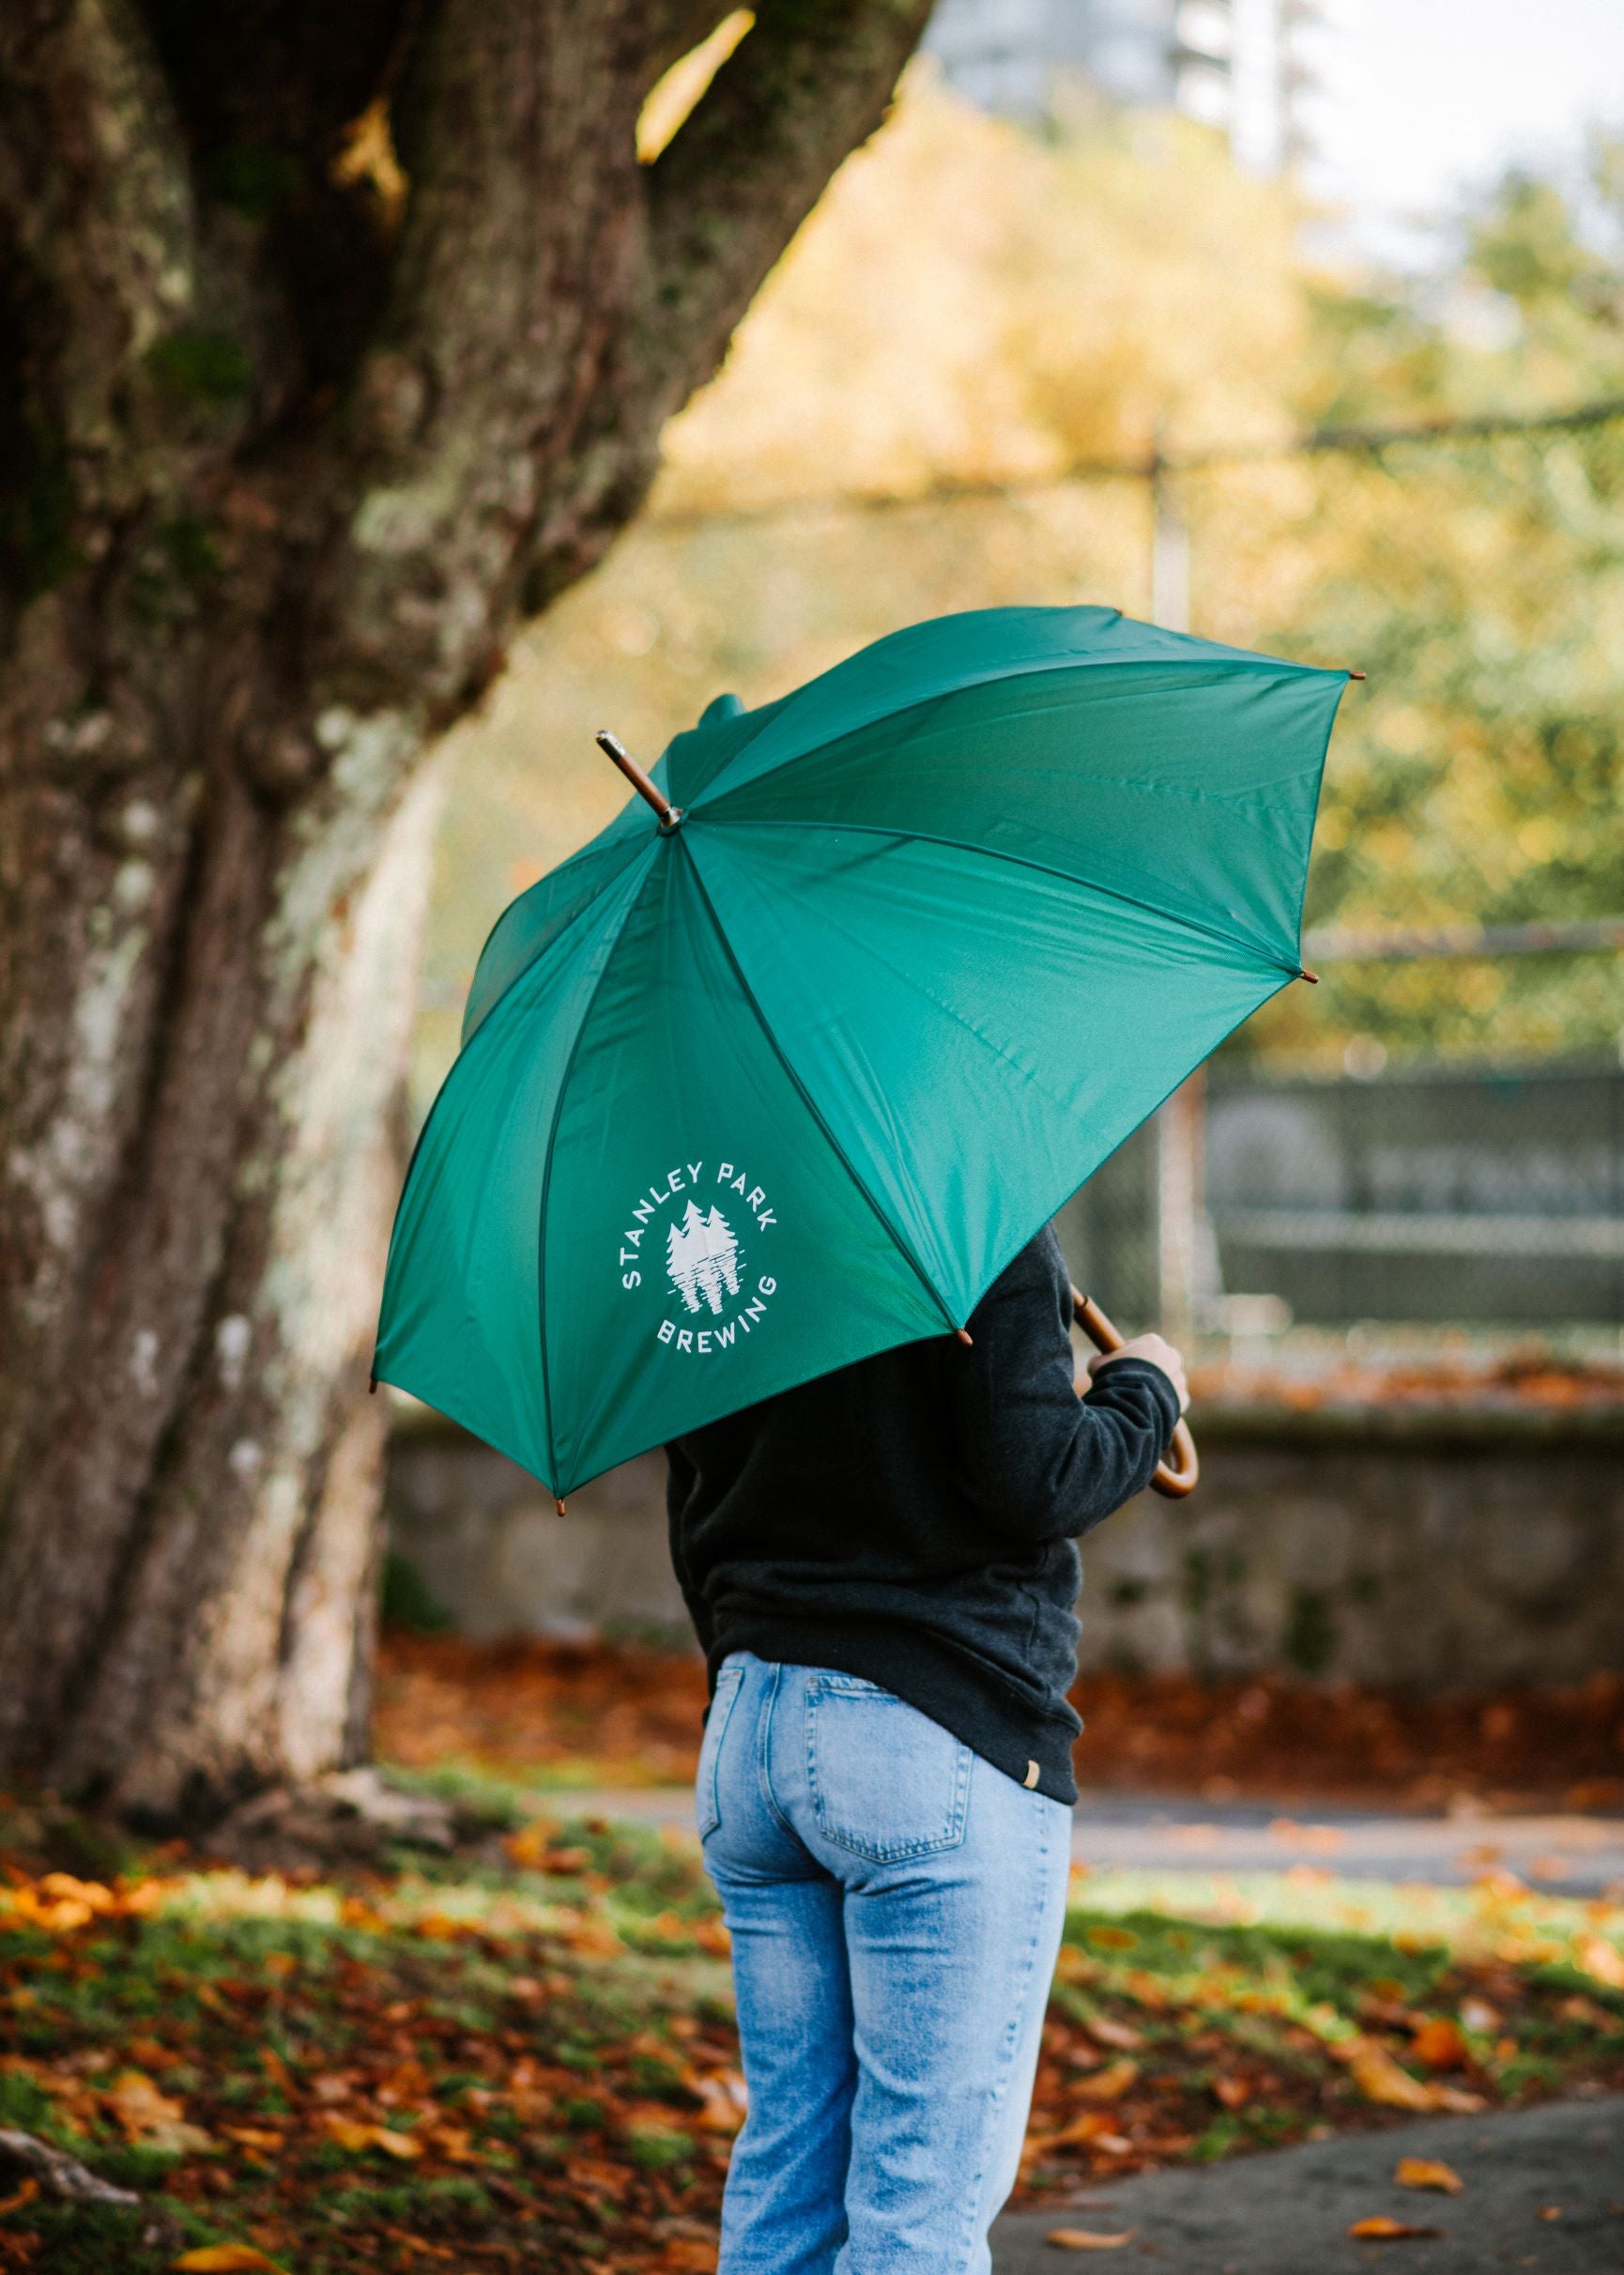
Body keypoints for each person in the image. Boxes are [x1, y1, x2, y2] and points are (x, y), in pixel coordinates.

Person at [665, 1222, 1187, 2275]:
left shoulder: (718, 1228)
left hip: (751, 1728)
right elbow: (1037, 1477)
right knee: (917, 2210)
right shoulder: (969, 1220)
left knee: (784, 2176)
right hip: (930, 1734)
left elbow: (692, 1509)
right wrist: (1145, 1391)